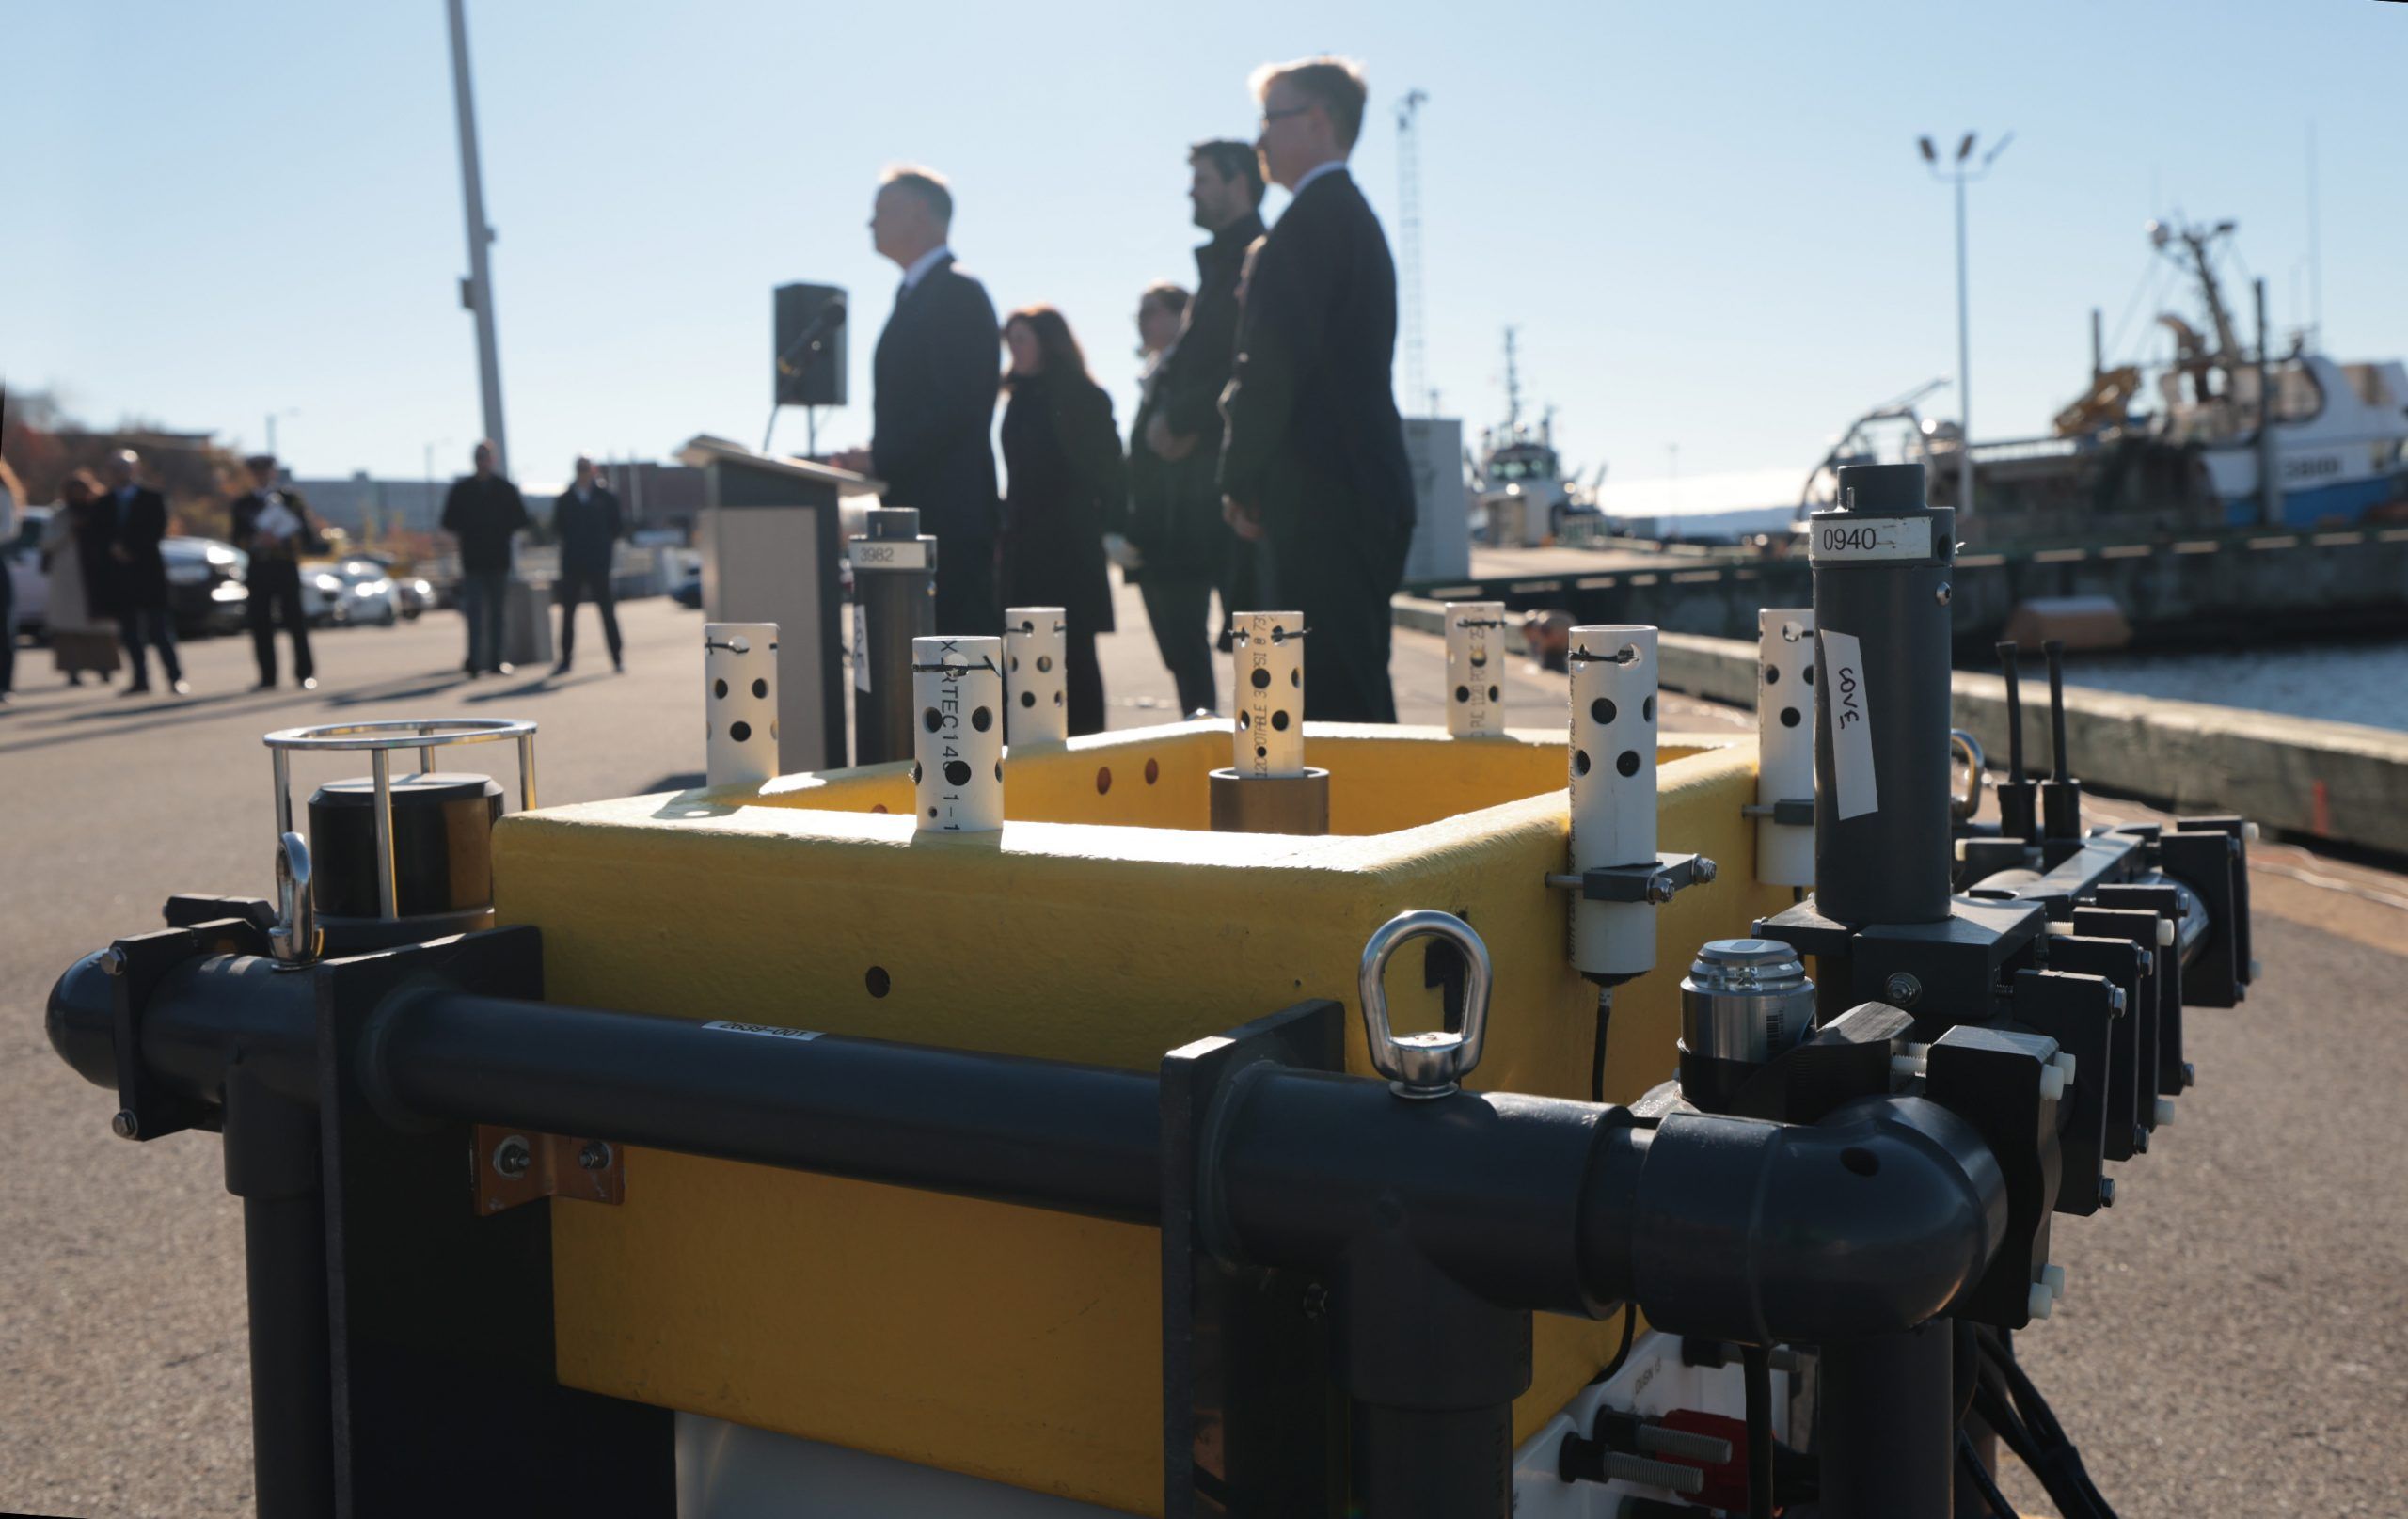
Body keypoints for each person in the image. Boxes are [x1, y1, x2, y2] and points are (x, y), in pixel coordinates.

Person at [1219, 56, 1416, 724]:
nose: (1260, 141)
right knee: (1352, 687)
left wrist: (1238, 480)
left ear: (1318, 121)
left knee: (1334, 706)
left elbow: (1268, 370)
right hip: (1361, 489)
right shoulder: (1352, 219)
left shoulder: (1305, 229)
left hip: (1321, 499)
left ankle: (1368, 832)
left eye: (1269, 120)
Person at [829, 166, 1004, 637]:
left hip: (949, 516)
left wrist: (878, 456)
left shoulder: (956, 291)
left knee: (960, 676)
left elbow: (958, 408)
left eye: (882, 210)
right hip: (920, 512)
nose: (871, 223)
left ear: (921, 213)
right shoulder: (916, 294)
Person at [1148, 138, 1269, 652]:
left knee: (1265, 656)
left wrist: (1179, 419)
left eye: (1202, 180)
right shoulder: (1220, 267)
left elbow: (1249, 360)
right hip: (1212, 490)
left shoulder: (1257, 259)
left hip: (1243, 492)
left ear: (1238, 182)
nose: (1190, 192)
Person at [998, 306, 1124, 736]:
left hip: (1068, 545)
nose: (1012, 348)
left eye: (1021, 338)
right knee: (1022, 653)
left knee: (1075, 656)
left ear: (1047, 342)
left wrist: (1100, 526)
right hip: (1023, 543)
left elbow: (1109, 471)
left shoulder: (1081, 394)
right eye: (1009, 339)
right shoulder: (1017, 398)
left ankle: (1089, 754)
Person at [1122, 281, 1225, 715]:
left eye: (1151, 312)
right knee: (1176, 648)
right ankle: (1197, 724)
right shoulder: (1155, 377)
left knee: (1186, 643)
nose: (1141, 322)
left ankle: (1202, 732)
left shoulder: (1184, 378)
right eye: (1139, 314)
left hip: (1184, 533)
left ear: (1181, 316)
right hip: (1155, 536)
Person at [229, 454, 322, 690]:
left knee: (295, 620)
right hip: (259, 567)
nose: (261, 475)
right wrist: (257, 540)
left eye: (265, 470)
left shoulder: (290, 500)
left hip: (285, 565)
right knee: (260, 622)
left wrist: (283, 541)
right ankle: (267, 676)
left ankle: (304, 673)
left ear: (273, 472)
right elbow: (236, 539)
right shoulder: (244, 504)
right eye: (256, 471)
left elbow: (308, 536)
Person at [103, 449, 188, 697]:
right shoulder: (106, 502)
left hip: (149, 573)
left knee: (160, 630)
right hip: (121, 577)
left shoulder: (152, 497)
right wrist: (113, 550)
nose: (121, 473)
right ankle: (140, 680)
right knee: (130, 633)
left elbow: (157, 530)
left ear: (135, 469)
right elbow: (99, 535)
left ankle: (175, 677)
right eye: (116, 468)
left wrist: (131, 549)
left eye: (125, 467)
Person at [440, 440, 528, 677]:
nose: (482, 461)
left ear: (493, 459)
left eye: (486, 456)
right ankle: (475, 662)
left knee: (498, 614)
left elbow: (521, 519)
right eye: (479, 456)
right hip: (473, 561)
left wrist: (498, 526)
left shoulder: (504, 488)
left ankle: (498, 660)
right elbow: (448, 521)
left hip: (498, 560)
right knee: (474, 614)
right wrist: (470, 527)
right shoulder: (463, 490)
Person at [45, 471, 122, 687]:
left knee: (101, 625)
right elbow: (47, 543)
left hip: (98, 575)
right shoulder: (60, 515)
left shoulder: (100, 511)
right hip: (69, 577)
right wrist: (70, 532)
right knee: (70, 627)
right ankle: (73, 669)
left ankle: (104, 667)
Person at [551, 455, 624, 675]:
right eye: (579, 468)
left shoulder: (606, 497)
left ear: (593, 471)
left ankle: (617, 656)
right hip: (572, 563)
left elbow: (616, 528)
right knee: (568, 613)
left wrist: (603, 552)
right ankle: (565, 659)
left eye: (586, 468)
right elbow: (558, 529)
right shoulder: (565, 499)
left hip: (598, 564)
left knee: (607, 611)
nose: (583, 472)